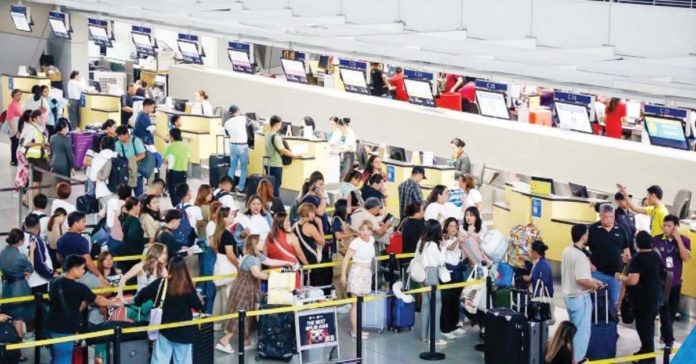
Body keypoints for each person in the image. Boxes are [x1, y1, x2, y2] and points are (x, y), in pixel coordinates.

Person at [216, 235, 292, 354]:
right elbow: (257, 274)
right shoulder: (251, 258)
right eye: (260, 241)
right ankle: (224, 341)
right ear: (255, 244)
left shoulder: (254, 256)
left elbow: (270, 261)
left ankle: (245, 340)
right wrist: (275, 277)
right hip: (245, 290)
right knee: (240, 315)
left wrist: (286, 262)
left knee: (246, 315)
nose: (263, 243)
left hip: (244, 288)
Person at [134, 256, 203, 363]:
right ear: (185, 269)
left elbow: (142, 294)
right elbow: (198, 305)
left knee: (160, 360)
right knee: (183, 361)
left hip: (165, 330)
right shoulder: (188, 286)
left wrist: (138, 302)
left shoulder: (161, 283)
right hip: (184, 331)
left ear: (169, 267)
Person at [46, 255, 112, 364]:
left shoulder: (54, 283)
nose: (83, 271)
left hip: (50, 325)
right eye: (82, 268)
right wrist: (115, 303)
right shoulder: (79, 288)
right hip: (64, 329)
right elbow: (99, 300)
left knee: (56, 357)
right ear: (74, 269)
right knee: (63, 359)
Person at [620, 231, 665, 363]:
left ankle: (648, 358)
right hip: (656, 297)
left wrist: (622, 277)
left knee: (644, 328)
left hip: (643, 300)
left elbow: (633, 280)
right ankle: (645, 351)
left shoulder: (637, 259)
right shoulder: (655, 256)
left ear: (637, 243)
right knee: (648, 326)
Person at [561, 224, 604, 363]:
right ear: (584, 236)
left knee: (573, 330)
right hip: (579, 298)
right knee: (581, 333)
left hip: (569, 296)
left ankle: (572, 357)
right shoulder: (579, 256)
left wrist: (592, 280)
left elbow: (577, 275)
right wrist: (595, 285)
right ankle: (577, 359)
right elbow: (581, 280)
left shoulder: (567, 251)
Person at [653, 215, 691, 347]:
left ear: (676, 227)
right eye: (664, 225)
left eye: (669, 226)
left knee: (671, 311)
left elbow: (685, 258)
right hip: (660, 282)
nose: (666, 228)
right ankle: (668, 338)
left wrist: (678, 239)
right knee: (663, 310)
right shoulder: (656, 240)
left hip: (675, 282)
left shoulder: (685, 240)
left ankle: (666, 335)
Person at [587, 203, 631, 313]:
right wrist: (589, 264)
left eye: (611, 217)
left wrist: (627, 259)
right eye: (606, 217)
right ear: (600, 216)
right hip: (597, 273)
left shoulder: (621, 229)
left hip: (616, 275)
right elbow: (582, 249)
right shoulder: (592, 229)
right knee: (594, 304)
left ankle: (611, 327)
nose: (609, 220)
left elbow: (626, 250)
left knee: (613, 305)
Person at [0, 228, 35, 360]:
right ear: (20, 241)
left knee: (8, 318)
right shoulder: (20, 257)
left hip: (6, 287)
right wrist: (32, 251)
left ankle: (9, 349)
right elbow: (30, 269)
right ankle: (18, 353)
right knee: (18, 320)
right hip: (19, 288)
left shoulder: (2, 253)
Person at [340, 220, 376, 339]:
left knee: (361, 303)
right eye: (362, 229)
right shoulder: (356, 243)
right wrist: (343, 275)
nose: (365, 232)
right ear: (359, 230)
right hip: (357, 272)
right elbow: (346, 259)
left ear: (371, 231)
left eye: (368, 230)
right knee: (355, 303)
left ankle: (358, 328)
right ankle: (355, 330)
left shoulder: (371, 240)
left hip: (366, 272)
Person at [417, 219, 447, 346]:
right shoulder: (433, 245)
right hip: (432, 274)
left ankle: (424, 334)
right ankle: (434, 337)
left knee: (426, 304)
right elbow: (441, 261)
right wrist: (444, 248)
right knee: (437, 304)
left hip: (423, 275)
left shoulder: (422, 242)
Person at [58, 211, 108, 284]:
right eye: (83, 221)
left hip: (66, 275)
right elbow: (88, 262)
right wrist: (100, 276)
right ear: (75, 223)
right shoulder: (82, 241)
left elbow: (59, 258)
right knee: (107, 288)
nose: (85, 224)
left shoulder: (61, 240)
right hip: (81, 277)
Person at [208, 206, 239, 319]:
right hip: (227, 267)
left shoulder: (217, 232)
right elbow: (230, 254)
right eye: (231, 214)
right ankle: (227, 323)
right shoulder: (226, 234)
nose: (233, 216)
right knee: (227, 295)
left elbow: (212, 245)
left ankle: (217, 323)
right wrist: (238, 265)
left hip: (219, 265)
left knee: (219, 295)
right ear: (225, 218)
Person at [440, 217, 467, 339]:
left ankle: (454, 325)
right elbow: (449, 248)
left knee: (455, 301)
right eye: (451, 226)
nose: (453, 228)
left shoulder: (457, 239)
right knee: (447, 301)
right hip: (448, 274)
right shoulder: (443, 239)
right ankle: (445, 328)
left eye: (455, 226)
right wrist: (458, 241)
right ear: (446, 227)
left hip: (457, 274)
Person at [265, 212, 307, 284]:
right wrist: (307, 265)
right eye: (287, 220)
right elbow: (299, 253)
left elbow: (265, 255)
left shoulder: (269, 237)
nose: (289, 222)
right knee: (293, 293)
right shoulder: (290, 235)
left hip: (274, 272)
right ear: (281, 223)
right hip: (290, 270)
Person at [22, 110, 50, 207]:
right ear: (34, 119)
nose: (43, 119)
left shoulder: (39, 129)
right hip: (34, 157)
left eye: (43, 117)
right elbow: (25, 143)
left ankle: (29, 200)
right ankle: (30, 201)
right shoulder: (32, 129)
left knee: (37, 182)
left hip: (39, 157)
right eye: (40, 118)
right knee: (35, 182)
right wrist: (40, 144)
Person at [265, 115, 297, 196]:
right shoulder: (276, 137)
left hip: (267, 163)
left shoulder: (267, 134)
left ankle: (269, 203)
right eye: (280, 124)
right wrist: (293, 155)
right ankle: (276, 204)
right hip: (275, 164)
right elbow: (282, 149)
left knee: (269, 185)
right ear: (277, 124)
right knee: (276, 187)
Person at [23, 213, 55, 294]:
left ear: (25, 225)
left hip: (25, 282)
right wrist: (51, 274)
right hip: (38, 281)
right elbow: (39, 263)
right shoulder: (35, 239)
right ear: (38, 226)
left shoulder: (20, 238)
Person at [117, 197, 149, 274]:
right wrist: (148, 240)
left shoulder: (125, 218)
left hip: (126, 253)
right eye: (139, 206)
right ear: (134, 207)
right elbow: (132, 236)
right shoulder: (134, 221)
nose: (140, 208)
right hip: (132, 255)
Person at [223, 105, 249, 194]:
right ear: (238, 111)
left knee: (232, 167)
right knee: (243, 168)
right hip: (242, 147)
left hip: (233, 146)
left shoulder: (226, 123)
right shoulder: (242, 118)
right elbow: (253, 125)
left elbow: (226, 134)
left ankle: (228, 187)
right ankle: (240, 188)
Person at [116, 125, 147, 195]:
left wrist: (129, 161)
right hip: (124, 174)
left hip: (137, 173)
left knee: (139, 195)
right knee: (125, 196)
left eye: (120, 136)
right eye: (118, 136)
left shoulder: (135, 141)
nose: (119, 138)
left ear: (126, 134)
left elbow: (142, 155)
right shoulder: (117, 144)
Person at [163, 128, 190, 206]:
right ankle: (182, 206)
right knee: (182, 191)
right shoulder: (186, 146)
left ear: (171, 137)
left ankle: (176, 207)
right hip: (183, 173)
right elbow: (188, 159)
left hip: (173, 173)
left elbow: (165, 161)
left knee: (173, 192)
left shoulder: (170, 147)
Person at [88, 136, 117, 209]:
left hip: (102, 191)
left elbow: (93, 179)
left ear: (101, 145)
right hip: (118, 191)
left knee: (105, 214)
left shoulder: (97, 159)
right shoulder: (117, 156)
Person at [6, 88, 23, 166]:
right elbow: (9, 119)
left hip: (18, 128)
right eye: (17, 95)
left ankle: (16, 160)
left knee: (17, 145)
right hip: (14, 129)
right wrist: (15, 130)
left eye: (20, 94)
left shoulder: (18, 104)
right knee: (15, 145)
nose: (19, 96)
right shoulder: (12, 105)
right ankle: (14, 161)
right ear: (13, 96)